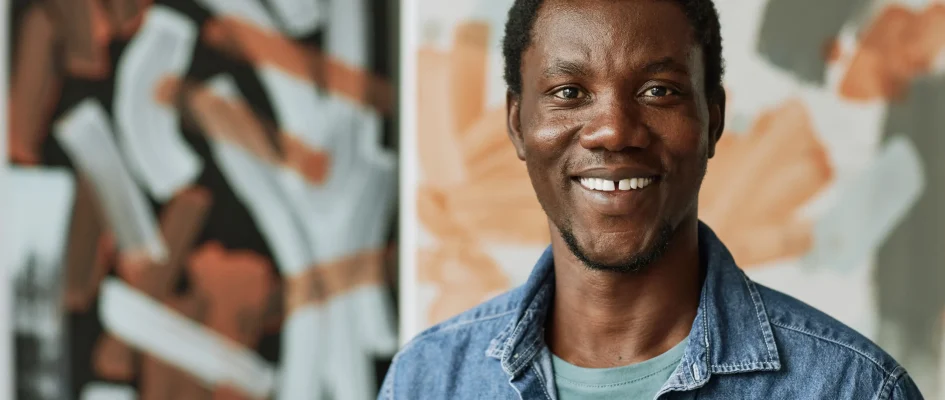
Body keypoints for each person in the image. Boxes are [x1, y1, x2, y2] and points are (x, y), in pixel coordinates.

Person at [380, 0, 925, 398]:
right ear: (517, 124)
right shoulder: (428, 379)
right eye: (569, 93)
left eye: (658, 90)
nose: (614, 131)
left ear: (712, 118)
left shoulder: (854, 389)